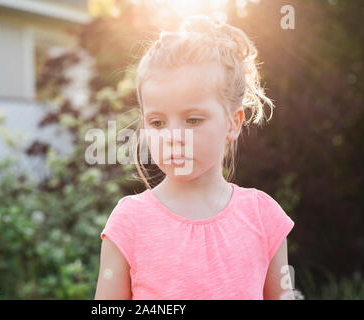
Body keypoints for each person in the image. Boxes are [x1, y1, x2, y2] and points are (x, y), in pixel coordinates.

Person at [94, 15, 295, 300]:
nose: (174, 136)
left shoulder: (264, 218)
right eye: (158, 123)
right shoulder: (129, 222)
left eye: (192, 119)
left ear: (233, 123)